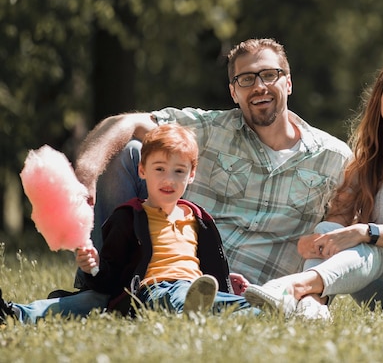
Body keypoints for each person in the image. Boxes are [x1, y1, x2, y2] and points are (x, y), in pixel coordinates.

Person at [73, 38, 352, 288]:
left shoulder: (334, 158)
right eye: (246, 79)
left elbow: (342, 233)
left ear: (288, 83)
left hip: (252, 290)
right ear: (233, 92)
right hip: (179, 273)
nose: (259, 86)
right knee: (126, 150)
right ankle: (102, 281)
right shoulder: (210, 130)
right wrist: (86, 175)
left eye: (269, 75)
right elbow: (123, 123)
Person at [243, 55, 383, 318]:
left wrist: (364, 231)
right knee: (329, 229)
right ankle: (314, 306)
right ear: (379, 101)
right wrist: (315, 242)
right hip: (382, 291)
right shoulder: (366, 161)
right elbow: (336, 223)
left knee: (377, 247)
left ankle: (294, 287)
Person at [0, 124, 255, 324]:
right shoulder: (129, 217)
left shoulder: (199, 220)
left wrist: (225, 281)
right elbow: (109, 282)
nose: (169, 179)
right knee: (98, 301)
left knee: (236, 304)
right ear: (142, 170)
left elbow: (203, 266)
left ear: (192, 175)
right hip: (153, 290)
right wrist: (94, 268)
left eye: (179, 171)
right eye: (159, 169)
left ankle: (246, 312)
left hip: (192, 285)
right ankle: (13, 313)